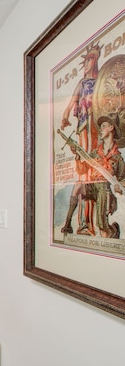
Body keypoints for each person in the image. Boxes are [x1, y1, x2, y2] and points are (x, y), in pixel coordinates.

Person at [60, 42, 101, 235]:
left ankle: (89, 224)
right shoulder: (83, 83)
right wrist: (65, 115)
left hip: (97, 128)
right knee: (84, 176)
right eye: (85, 60)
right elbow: (71, 103)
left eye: (90, 59)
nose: (86, 64)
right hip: (85, 127)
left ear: (95, 60)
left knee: (92, 176)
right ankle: (80, 223)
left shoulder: (100, 80)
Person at [62, 114, 125, 239]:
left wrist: (119, 188)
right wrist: (78, 156)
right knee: (78, 185)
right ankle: (68, 223)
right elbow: (82, 170)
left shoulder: (118, 158)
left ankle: (112, 230)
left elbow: (123, 179)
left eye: (103, 126)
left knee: (103, 231)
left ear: (111, 127)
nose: (100, 129)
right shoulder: (95, 153)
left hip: (106, 190)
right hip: (94, 187)